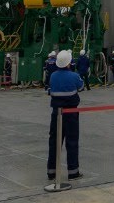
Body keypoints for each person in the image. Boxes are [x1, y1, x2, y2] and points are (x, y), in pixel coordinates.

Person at [46, 50, 83, 180]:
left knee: (54, 142)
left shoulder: (53, 76)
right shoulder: (74, 76)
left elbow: (50, 90)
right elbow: (81, 86)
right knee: (72, 141)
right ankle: (73, 172)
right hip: (71, 113)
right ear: (69, 63)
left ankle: (51, 172)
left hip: (56, 113)